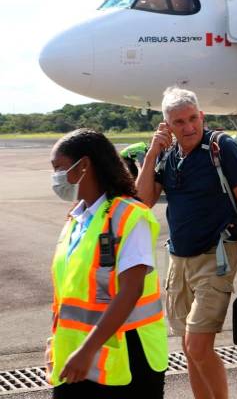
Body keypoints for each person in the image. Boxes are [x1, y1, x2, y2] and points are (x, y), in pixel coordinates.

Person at [136, 87, 237, 399]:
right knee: (187, 347)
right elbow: (142, 201)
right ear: (167, 126)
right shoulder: (168, 155)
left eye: (193, 118)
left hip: (217, 256)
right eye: (179, 122)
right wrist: (153, 151)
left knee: (197, 345)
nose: (189, 127)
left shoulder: (222, 148)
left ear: (202, 116)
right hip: (178, 260)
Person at [47, 129, 168, 397]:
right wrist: (57, 344)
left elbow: (131, 290)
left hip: (127, 360)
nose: (55, 178)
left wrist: (86, 350)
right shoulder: (76, 220)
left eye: (59, 168)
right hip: (77, 359)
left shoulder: (129, 215)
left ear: (84, 166)